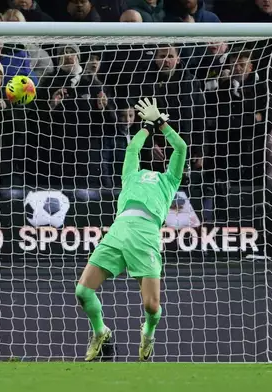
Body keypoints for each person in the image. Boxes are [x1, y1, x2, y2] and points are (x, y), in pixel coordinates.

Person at [74, 98, 187, 362]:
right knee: (82, 291)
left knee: (151, 305)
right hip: (119, 229)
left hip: (146, 234)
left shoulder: (169, 180)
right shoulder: (131, 175)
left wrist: (161, 124)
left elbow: (180, 147)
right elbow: (132, 149)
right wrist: (145, 126)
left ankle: (148, 333)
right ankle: (101, 332)